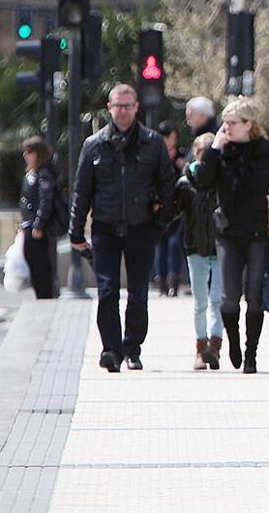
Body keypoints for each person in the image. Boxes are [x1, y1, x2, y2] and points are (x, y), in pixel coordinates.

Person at [70, 84, 176, 373]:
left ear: (137, 107)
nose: (123, 111)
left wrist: (161, 223)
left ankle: (132, 348)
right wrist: (76, 232)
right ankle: (111, 350)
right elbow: (82, 191)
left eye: (129, 105)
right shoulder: (94, 144)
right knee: (107, 292)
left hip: (142, 227)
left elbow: (168, 186)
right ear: (110, 107)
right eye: (119, 105)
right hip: (105, 227)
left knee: (139, 294)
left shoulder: (152, 143)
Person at [194, 98, 269, 374]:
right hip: (227, 231)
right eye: (224, 123)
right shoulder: (220, 151)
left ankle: (251, 355)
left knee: (254, 296)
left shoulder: (265, 153)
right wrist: (214, 148)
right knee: (228, 298)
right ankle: (233, 342)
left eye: (232, 123)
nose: (226, 128)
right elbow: (202, 181)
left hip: (258, 231)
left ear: (248, 125)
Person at [176, 133, 223, 370]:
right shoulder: (185, 183)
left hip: (219, 246)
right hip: (195, 245)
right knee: (200, 302)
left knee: (217, 299)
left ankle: (214, 348)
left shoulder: (222, 179)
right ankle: (200, 347)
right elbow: (176, 211)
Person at [19, 136, 60, 299]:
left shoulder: (44, 174)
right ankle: (42, 295)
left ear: (37, 154)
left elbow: (46, 200)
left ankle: (45, 297)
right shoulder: (34, 173)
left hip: (37, 229)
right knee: (35, 264)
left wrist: (39, 224)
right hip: (30, 225)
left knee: (41, 266)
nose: (25, 156)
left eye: (29, 152)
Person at [153, 121, 185, 297]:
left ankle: (174, 281)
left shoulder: (180, 155)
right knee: (161, 244)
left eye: (172, 137)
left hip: (177, 207)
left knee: (174, 243)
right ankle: (161, 281)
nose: (170, 141)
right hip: (160, 207)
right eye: (167, 137)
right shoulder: (155, 155)